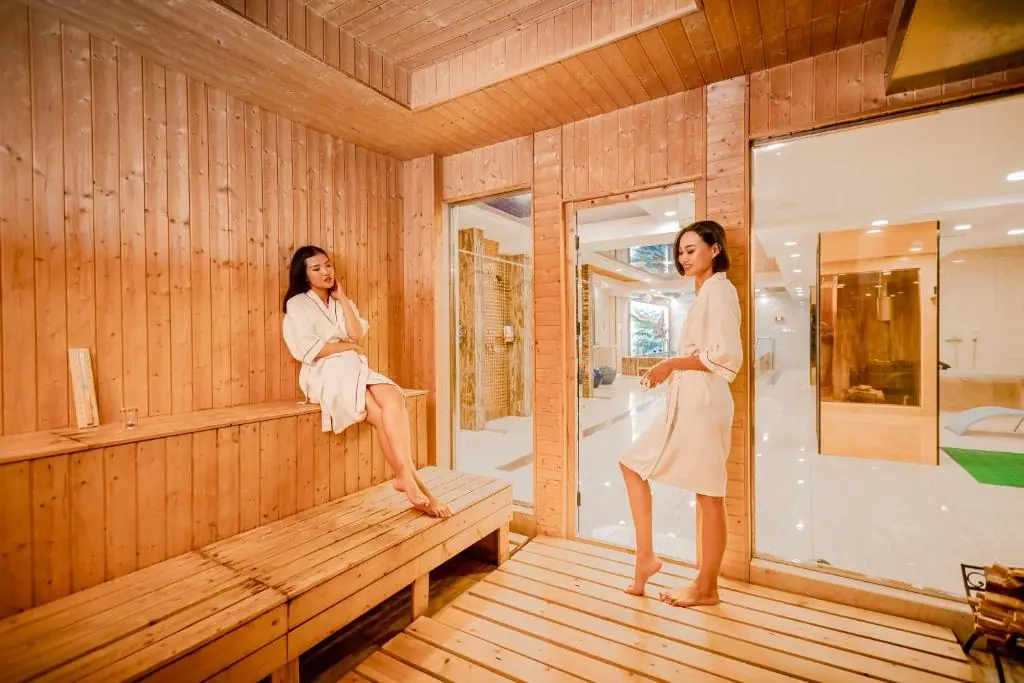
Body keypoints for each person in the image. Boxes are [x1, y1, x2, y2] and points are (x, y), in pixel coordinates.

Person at [619, 220, 742, 607]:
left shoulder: (719, 291)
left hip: (703, 403)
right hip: (690, 401)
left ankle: (706, 588)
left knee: (709, 494)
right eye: (680, 252)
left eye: (691, 250)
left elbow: (725, 355)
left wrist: (670, 364)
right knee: (632, 465)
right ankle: (645, 558)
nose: (683, 258)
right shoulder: (706, 292)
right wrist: (670, 368)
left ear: (714, 249)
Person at [282, 245, 452, 518]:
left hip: (353, 366)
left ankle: (404, 477)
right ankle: (416, 486)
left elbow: (356, 333)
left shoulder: (338, 301)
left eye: (328, 265)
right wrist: (348, 347)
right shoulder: (297, 303)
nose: (325, 271)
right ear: (304, 275)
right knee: (379, 415)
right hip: (324, 372)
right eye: (316, 268)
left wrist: (342, 298)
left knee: (395, 398)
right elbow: (309, 349)